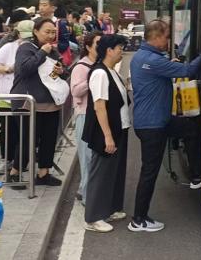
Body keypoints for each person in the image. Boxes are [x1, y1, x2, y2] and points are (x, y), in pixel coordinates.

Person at [128, 19, 201, 232]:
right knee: (149, 172)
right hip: (153, 125)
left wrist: (171, 64)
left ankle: (196, 175)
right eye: (167, 37)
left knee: (190, 128)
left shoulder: (141, 56)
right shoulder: (153, 60)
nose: (168, 41)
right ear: (157, 36)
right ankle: (139, 219)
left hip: (155, 120)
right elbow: (187, 71)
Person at [9, 17, 68, 186]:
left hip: (50, 102)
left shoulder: (53, 51)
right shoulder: (26, 48)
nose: (51, 35)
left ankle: (43, 173)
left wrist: (61, 71)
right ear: (35, 31)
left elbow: (62, 74)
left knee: (49, 139)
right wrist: (42, 52)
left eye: (53, 32)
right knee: (28, 139)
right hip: (29, 103)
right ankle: (15, 172)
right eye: (47, 32)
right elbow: (24, 69)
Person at [82, 34, 131, 233]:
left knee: (114, 172)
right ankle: (93, 217)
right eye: (119, 48)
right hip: (106, 132)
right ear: (109, 50)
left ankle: (109, 209)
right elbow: (99, 106)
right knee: (101, 174)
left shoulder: (111, 72)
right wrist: (107, 136)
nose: (122, 52)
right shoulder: (100, 73)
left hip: (119, 128)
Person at [0, 20, 33, 177]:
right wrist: (9, 68)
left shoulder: (36, 49)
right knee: (7, 131)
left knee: (24, 132)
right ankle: (7, 160)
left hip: (27, 99)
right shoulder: (8, 48)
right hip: (8, 96)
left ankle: (20, 162)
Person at [69, 30, 103, 204]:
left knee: (94, 157)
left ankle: (85, 190)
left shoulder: (100, 64)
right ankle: (88, 197)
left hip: (97, 115)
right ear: (89, 47)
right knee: (87, 156)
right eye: (98, 43)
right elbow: (75, 91)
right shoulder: (81, 67)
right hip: (84, 115)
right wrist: (91, 78)